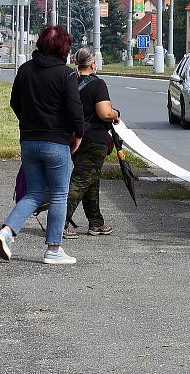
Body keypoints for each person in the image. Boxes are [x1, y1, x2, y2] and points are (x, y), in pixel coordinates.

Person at [0, 26, 84, 265]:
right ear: (64, 48)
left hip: (29, 141)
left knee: (34, 193)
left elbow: (15, 102)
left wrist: (28, 124)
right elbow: (76, 112)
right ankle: (53, 250)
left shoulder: (24, 71)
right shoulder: (66, 75)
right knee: (58, 195)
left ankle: (7, 232)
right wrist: (78, 135)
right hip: (56, 143)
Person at [63, 46, 121, 239]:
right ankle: (60, 223)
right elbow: (104, 113)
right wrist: (116, 114)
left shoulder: (69, 83)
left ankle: (96, 223)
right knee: (80, 181)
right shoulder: (98, 84)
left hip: (75, 140)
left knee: (90, 180)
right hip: (94, 140)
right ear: (93, 63)